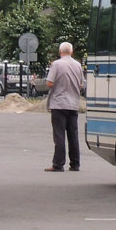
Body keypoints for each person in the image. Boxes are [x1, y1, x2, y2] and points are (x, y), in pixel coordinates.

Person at [44, 41, 85, 172]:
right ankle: (75, 164)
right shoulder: (78, 65)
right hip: (73, 104)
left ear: (60, 52)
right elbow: (81, 84)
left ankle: (58, 164)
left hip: (59, 103)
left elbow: (49, 83)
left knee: (59, 135)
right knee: (73, 135)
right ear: (71, 52)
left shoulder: (56, 64)